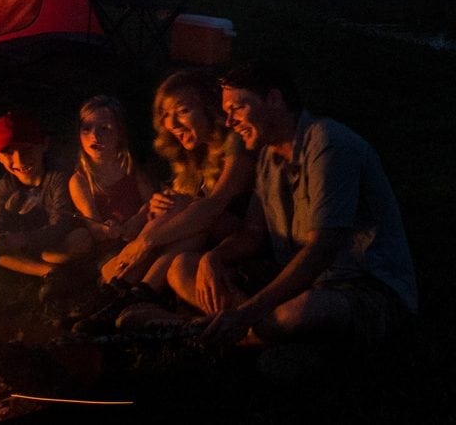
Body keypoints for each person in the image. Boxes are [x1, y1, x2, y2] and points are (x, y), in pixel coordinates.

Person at [166, 58, 418, 349]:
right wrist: (215, 258)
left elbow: (322, 248)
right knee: (182, 268)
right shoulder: (267, 157)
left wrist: (246, 311)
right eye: (226, 112)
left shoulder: (328, 143)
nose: (230, 122)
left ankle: (213, 334)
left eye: (238, 108)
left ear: (273, 99)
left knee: (302, 311)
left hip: (359, 287)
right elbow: (252, 233)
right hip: (297, 282)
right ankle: (257, 335)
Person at [71, 70, 255, 333]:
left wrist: (145, 243)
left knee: (187, 209)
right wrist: (155, 206)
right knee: (174, 206)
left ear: (208, 107)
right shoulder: (193, 155)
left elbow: (213, 207)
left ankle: (127, 291)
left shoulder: (236, 143)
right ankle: (133, 292)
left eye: (182, 110)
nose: (172, 124)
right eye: (166, 116)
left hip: (238, 239)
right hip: (194, 241)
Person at [0, 110, 93, 301]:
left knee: (81, 238)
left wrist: (20, 239)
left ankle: (45, 268)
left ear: (43, 145)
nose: (19, 160)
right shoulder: (3, 188)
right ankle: (49, 273)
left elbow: (61, 225)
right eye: (8, 152)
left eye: (26, 149)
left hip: (53, 245)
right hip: (23, 248)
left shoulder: (58, 178)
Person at [68, 94, 154, 267]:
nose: (94, 135)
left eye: (104, 128)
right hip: (110, 249)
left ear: (119, 133)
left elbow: (152, 201)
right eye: (87, 128)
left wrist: (137, 220)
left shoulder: (131, 167)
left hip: (144, 237)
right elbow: (93, 226)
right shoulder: (80, 180)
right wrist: (107, 229)